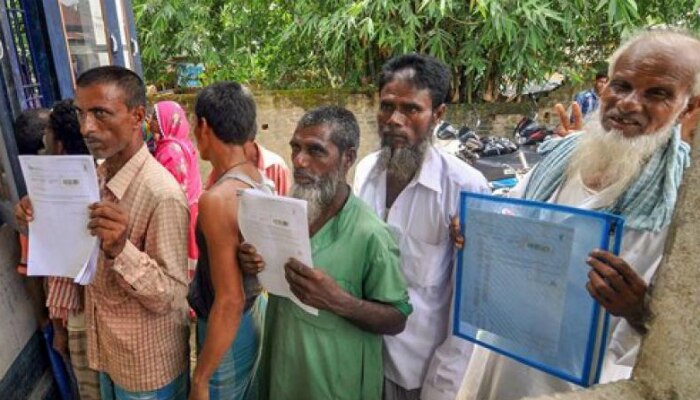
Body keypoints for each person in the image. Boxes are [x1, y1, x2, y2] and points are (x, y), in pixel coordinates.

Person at [456, 29, 700, 400]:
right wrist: (476, 230)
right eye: (621, 85)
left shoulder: (683, 205)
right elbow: (511, 218)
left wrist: (638, 309)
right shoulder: (559, 158)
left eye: (657, 93)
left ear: (691, 107)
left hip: (577, 385)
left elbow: (682, 340)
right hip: (498, 358)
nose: (629, 103)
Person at [16, 66, 190, 399]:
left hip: (145, 367)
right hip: (107, 352)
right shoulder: (95, 177)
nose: (86, 127)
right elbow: (73, 251)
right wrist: (38, 215)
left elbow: (172, 296)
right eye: (82, 114)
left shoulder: (161, 193)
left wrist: (122, 250)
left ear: (137, 115)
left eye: (100, 114)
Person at [239, 105, 412, 400]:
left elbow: (397, 318)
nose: (300, 161)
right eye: (296, 148)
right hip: (282, 372)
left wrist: (339, 301)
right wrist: (251, 262)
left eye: (316, 151)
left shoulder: (370, 234)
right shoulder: (286, 213)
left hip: (335, 385)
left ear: (348, 158)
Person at [352, 53, 489, 400]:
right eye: (386, 106)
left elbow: (469, 310)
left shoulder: (465, 188)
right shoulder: (367, 170)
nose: (394, 120)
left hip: (419, 374)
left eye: (411, 109)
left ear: (438, 114)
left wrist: (442, 387)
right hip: (361, 356)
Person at [187, 82, 268, 400]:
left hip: (228, 331)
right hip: (252, 315)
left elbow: (229, 299)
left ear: (203, 126)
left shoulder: (218, 199)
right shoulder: (255, 176)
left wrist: (200, 379)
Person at [43, 99, 101, 400]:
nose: (45, 140)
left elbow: (63, 272)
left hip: (79, 317)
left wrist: (60, 330)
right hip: (99, 316)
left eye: (48, 132)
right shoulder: (98, 178)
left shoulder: (58, 194)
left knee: (89, 390)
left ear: (61, 144)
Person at [148, 100, 203, 273]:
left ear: (166, 121)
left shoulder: (171, 151)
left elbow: (171, 189)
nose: (151, 122)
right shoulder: (180, 143)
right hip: (191, 208)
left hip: (181, 211)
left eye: (155, 118)